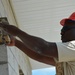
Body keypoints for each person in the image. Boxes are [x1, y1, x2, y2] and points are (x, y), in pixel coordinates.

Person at [0, 12, 75, 75]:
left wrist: (16, 32)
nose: (61, 32)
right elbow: (41, 56)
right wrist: (16, 42)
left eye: (66, 28)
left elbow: (43, 48)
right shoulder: (68, 56)